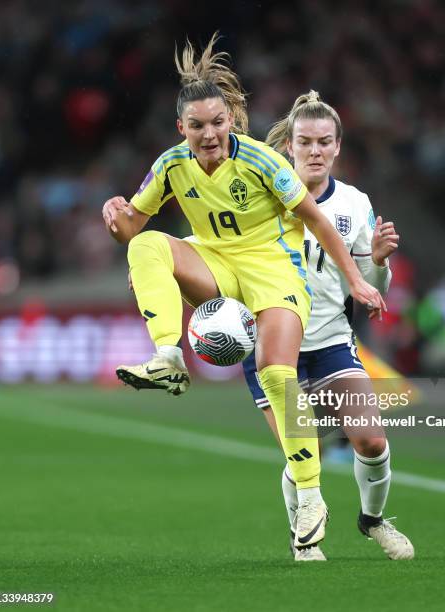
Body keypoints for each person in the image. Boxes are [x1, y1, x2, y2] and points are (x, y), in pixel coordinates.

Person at [101, 33, 385, 552]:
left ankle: (311, 495)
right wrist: (115, 214)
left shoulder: (262, 162)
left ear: (230, 119)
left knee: (278, 371)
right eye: (197, 126)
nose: (209, 135)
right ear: (180, 127)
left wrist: (357, 278)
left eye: (217, 123)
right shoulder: (170, 165)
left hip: (274, 272)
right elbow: (129, 227)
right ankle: (168, 355)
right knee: (145, 248)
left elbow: (317, 221)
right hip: (214, 263)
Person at [243, 91, 414, 561]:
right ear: (290, 147)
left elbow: (369, 282)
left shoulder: (355, 204)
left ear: (338, 147)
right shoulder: (262, 197)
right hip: (273, 345)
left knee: (372, 439)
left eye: (324, 142)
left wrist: (378, 262)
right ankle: (306, 541)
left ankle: (373, 521)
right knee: (306, 452)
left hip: (331, 340)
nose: (314, 151)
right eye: (305, 142)